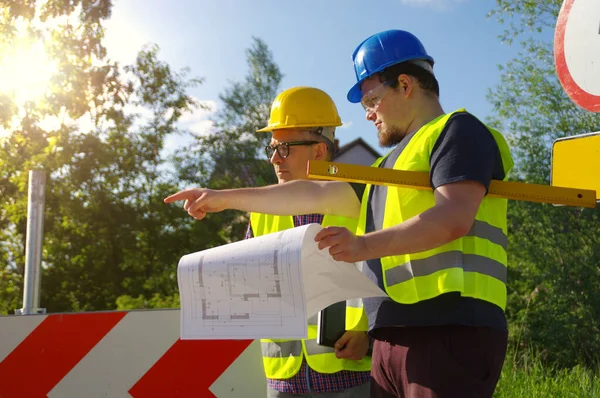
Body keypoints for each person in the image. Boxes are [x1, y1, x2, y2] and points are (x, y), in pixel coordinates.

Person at [166, 30, 514, 398]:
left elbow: (453, 217)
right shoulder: (385, 166)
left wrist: (362, 245)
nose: (368, 115)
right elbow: (314, 192)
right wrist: (221, 197)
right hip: (394, 334)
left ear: (406, 84)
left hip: (449, 326)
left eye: (372, 100)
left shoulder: (458, 131)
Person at [242, 86, 371, 397]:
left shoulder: (362, 201)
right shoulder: (260, 212)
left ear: (318, 151)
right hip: (284, 378)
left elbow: (389, 272)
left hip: (347, 375)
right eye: (271, 148)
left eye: (285, 148)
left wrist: (370, 334)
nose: (274, 158)